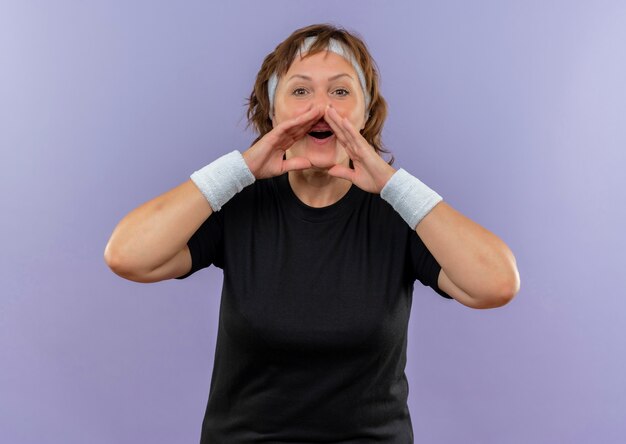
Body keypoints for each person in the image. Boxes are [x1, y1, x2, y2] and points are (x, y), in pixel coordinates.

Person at [104, 23, 520, 444]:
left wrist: (395, 186)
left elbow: (496, 284)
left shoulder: (401, 213)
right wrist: (241, 169)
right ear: (272, 111)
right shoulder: (240, 202)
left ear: (366, 112)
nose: (321, 108)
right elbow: (127, 255)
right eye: (300, 91)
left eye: (341, 92)